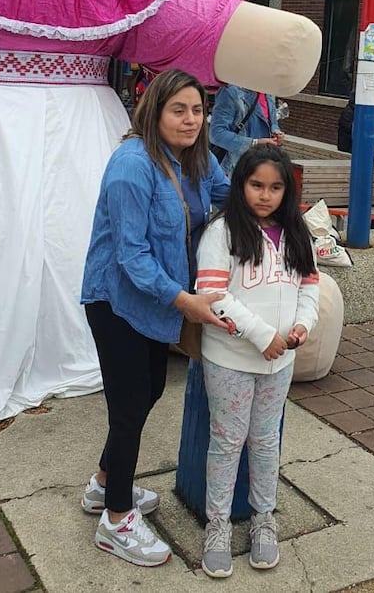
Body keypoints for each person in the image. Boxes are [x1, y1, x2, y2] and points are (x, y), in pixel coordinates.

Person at [80, 69, 230, 568]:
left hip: (158, 300)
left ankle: (104, 485)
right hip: (118, 299)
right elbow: (132, 256)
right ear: (154, 111)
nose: (190, 120)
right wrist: (187, 303)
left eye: (197, 110)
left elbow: (230, 194)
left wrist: (274, 213)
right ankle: (117, 520)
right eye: (178, 110)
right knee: (128, 406)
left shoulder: (197, 157)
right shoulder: (132, 165)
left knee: (149, 390)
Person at [195, 145, 319, 578]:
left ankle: (264, 518)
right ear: (240, 184)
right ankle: (218, 525)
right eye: (256, 185)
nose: (265, 196)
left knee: (266, 441)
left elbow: (310, 285)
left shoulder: (296, 232)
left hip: (279, 361)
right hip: (230, 358)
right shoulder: (222, 231)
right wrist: (263, 335)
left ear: (287, 190)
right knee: (227, 441)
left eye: (276, 187)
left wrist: (303, 324)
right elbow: (213, 294)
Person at [209, 83, 284, 174]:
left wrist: (276, 132)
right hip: (237, 169)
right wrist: (253, 143)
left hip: (263, 166)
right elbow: (216, 134)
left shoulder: (269, 92)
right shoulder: (231, 91)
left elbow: (272, 122)